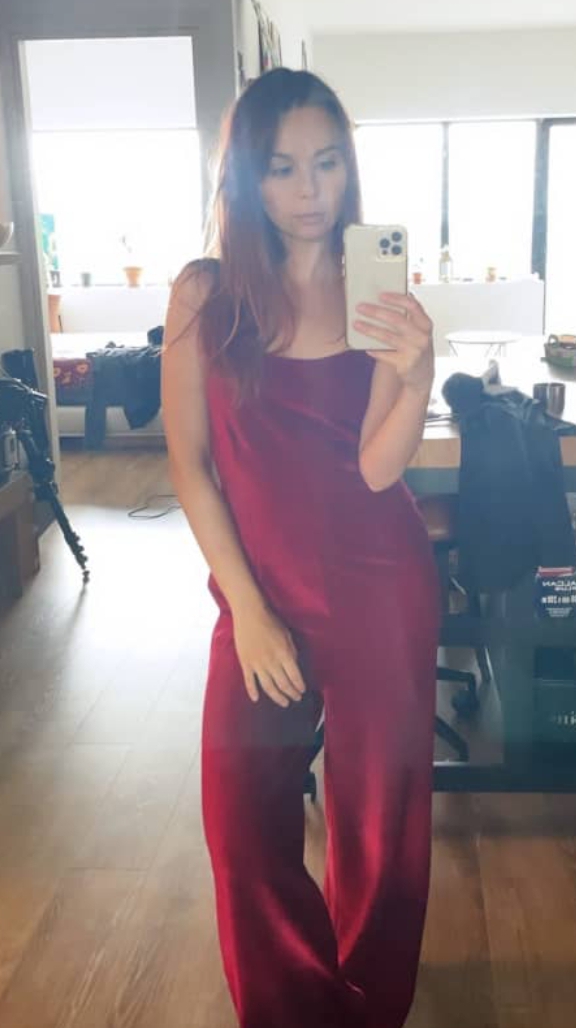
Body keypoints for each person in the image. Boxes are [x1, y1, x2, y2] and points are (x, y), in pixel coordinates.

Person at [161, 68, 440, 1028]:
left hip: (378, 590)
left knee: (381, 832)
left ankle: (367, 1008)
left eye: (326, 162)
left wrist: (418, 375)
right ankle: (290, 1008)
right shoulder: (204, 295)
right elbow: (191, 465)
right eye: (281, 168)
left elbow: (375, 468)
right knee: (242, 824)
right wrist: (247, 611)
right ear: (247, 177)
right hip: (258, 599)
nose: (310, 189)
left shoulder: (379, 298)